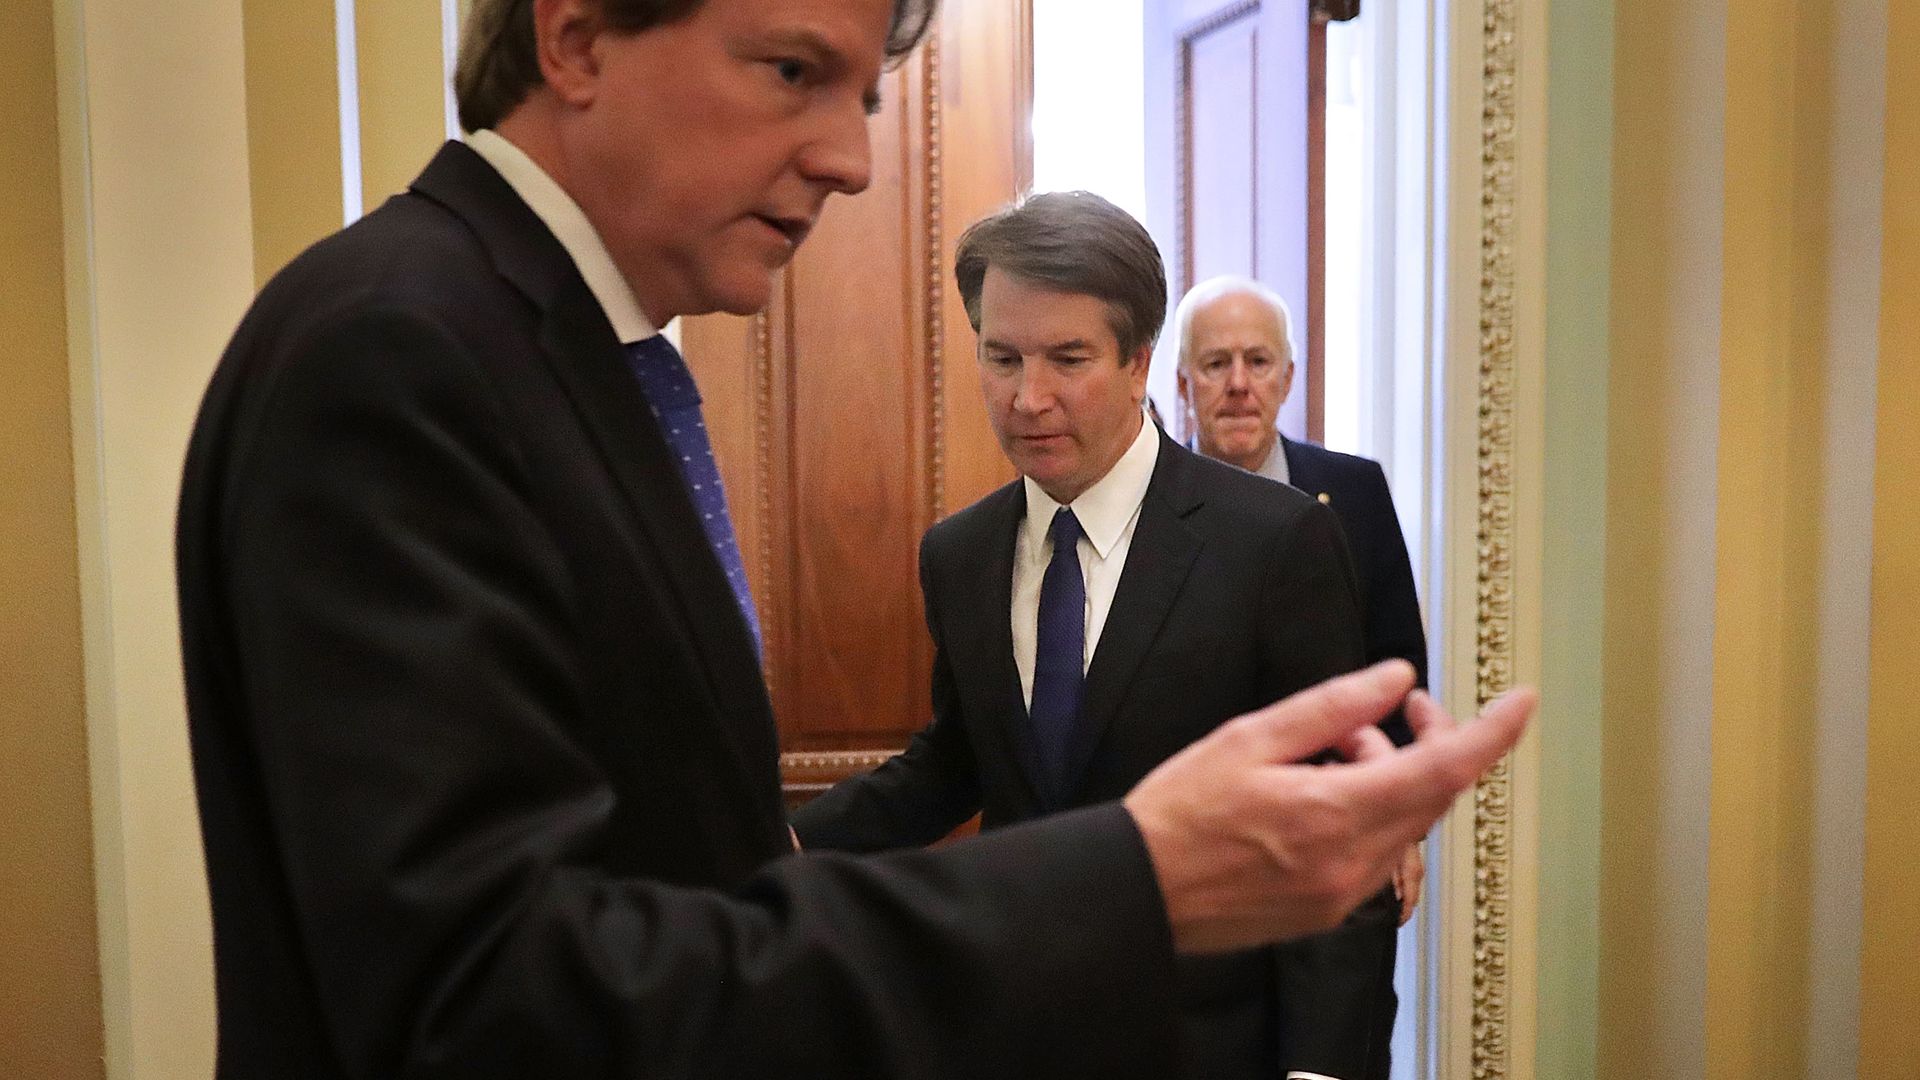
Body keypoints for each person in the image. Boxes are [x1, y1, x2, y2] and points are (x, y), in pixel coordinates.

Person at [174, 1, 1536, 1077]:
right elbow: (483, 999)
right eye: (791, 72)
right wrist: (1129, 878)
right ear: (575, 34)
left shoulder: (559, 355)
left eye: (866, 97)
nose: (854, 156)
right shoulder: (401, 351)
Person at [795, 192, 1391, 1080]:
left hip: (1210, 1043)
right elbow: (960, 760)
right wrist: (785, 844)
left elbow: (1338, 824)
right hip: (1012, 1032)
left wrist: (1322, 1070)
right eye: (1002, 357)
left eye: (1067, 359)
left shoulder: (1274, 541)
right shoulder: (959, 555)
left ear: (1141, 359)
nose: (1027, 398)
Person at [1175, 274, 1436, 1071]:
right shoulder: (1154, 505)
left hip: (1339, 837)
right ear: (1183, 386)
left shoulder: (1352, 489)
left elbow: (1397, 666)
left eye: (1259, 360)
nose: (1239, 384)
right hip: (1213, 846)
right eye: (1215, 364)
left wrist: (1396, 818)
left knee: (1339, 1053)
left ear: (1289, 376)